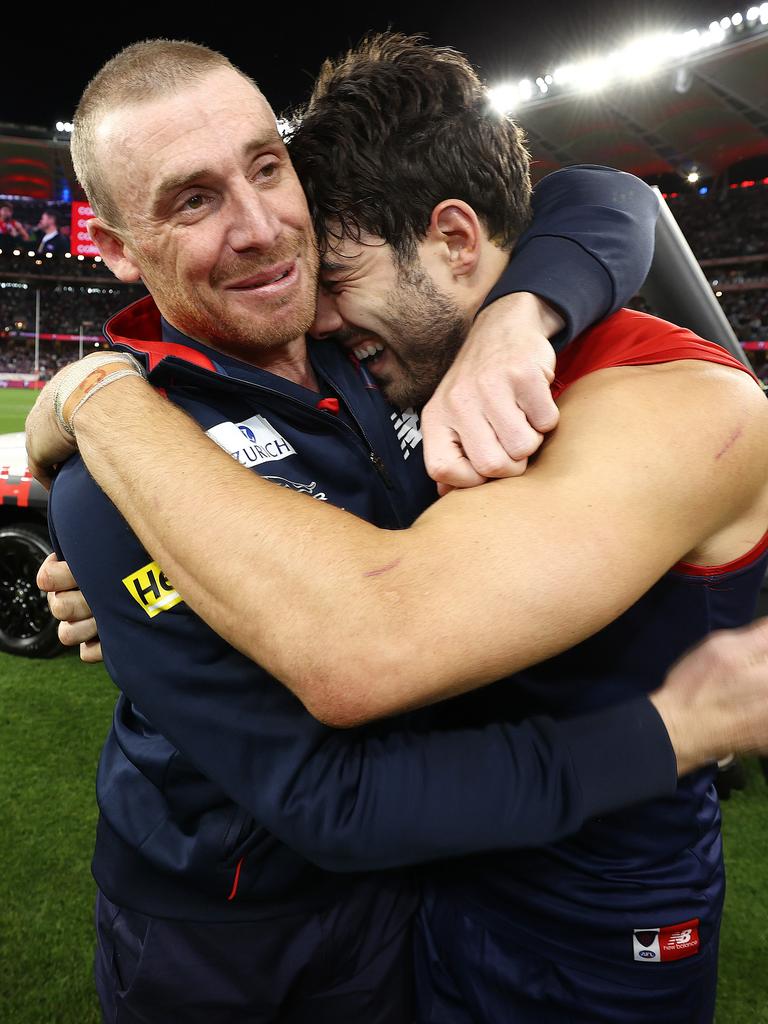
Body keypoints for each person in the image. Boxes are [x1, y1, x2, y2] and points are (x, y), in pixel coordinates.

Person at [27, 36, 768, 1024]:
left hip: (588, 919)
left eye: (265, 168)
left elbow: (612, 197)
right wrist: (99, 401)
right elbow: (342, 732)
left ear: (459, 242)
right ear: (117, 245)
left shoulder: (655, 400)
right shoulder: (272, 408)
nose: (315, 308)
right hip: (293, 918)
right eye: (192, 198)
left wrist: (518, 316)